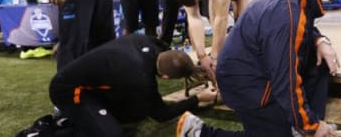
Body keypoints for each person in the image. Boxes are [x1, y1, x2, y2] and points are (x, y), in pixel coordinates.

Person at [176, 0, 341, 137]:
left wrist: (320, 40)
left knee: (318, 60)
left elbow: (300, 26)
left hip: (251, 67)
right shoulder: (289, 13)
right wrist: (311, 127)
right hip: (243, 81)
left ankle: (302, 124)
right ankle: (198, 132)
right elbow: (285, 79)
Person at [49, 34, 217, 136]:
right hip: (67, 91)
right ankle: (61, 125)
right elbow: (161, 114)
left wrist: (194, 68)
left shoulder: (150, 42)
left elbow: (174, 58)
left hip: (96, 80)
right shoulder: (139, 79)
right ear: (164, 77)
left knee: (136, 114)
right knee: (111, 133)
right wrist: (198, 98)